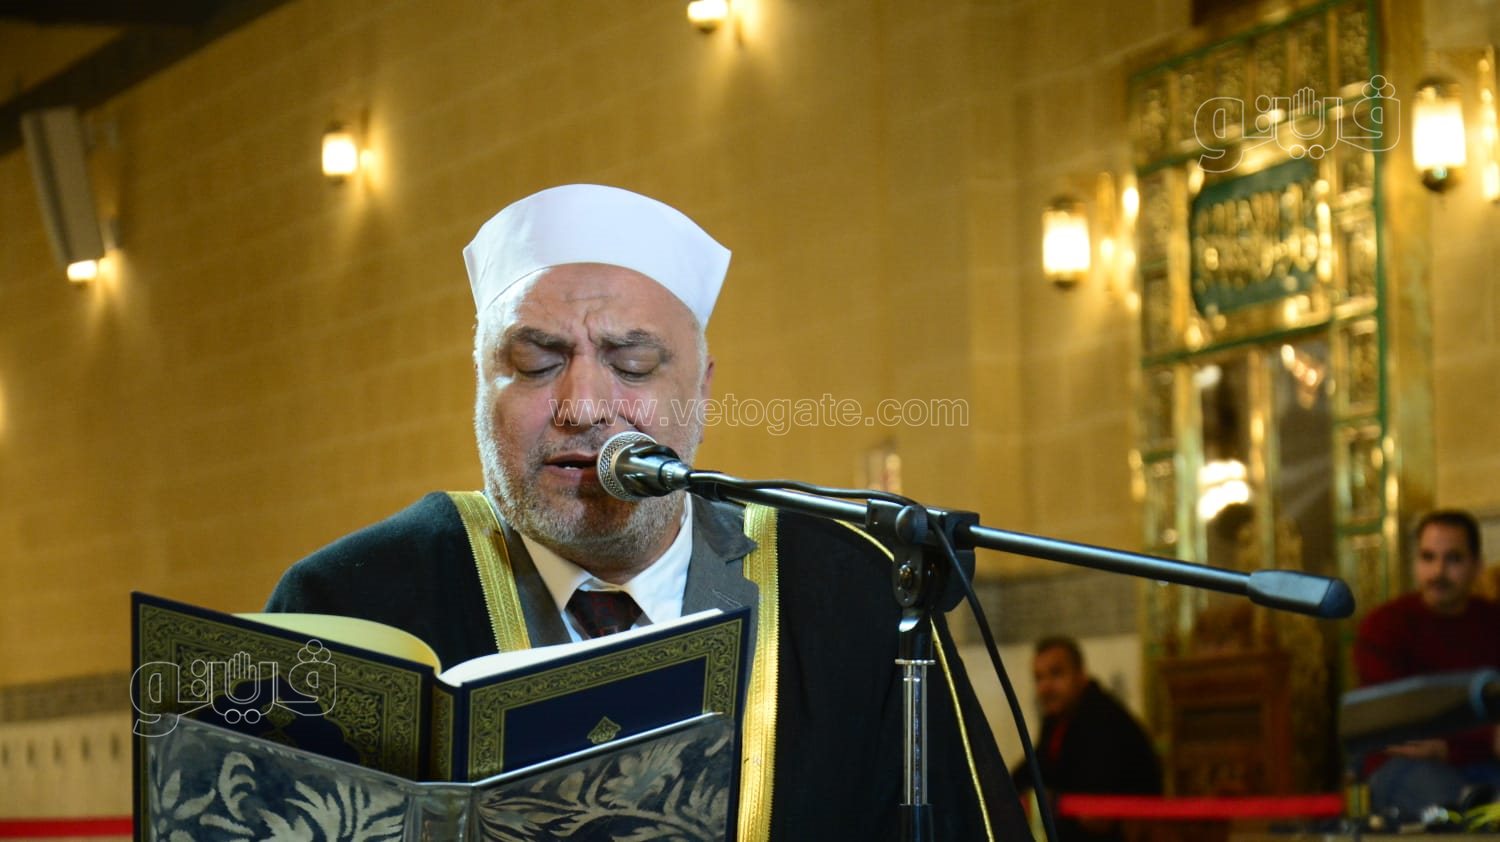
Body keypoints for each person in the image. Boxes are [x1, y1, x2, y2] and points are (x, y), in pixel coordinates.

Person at [266, 183, 1027, 840]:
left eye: (631, 365)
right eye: (536, 363)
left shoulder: (849, 591)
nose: (583, 406)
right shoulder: (352, 605)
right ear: (480, 385)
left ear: (701, 390)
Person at [1353, 509, 1500, 817]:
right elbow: (1398, 728)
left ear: (1477, 565)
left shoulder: (1492, 622)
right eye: (1428, 557)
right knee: (1461, 810)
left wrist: (1450, 745)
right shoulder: (1384, 626)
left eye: (1453, 559)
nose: (1438, 571)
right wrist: (1484, 739)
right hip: (1405, 766)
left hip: (1485, 763)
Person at [1010, 636, 1162, 842]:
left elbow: (1092, 803)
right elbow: (1032, 771)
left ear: (1080, 675)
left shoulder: (1103, 719)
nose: (1045, 687)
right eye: (1039, 678)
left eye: (1056, 674)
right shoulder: (1056, 720)